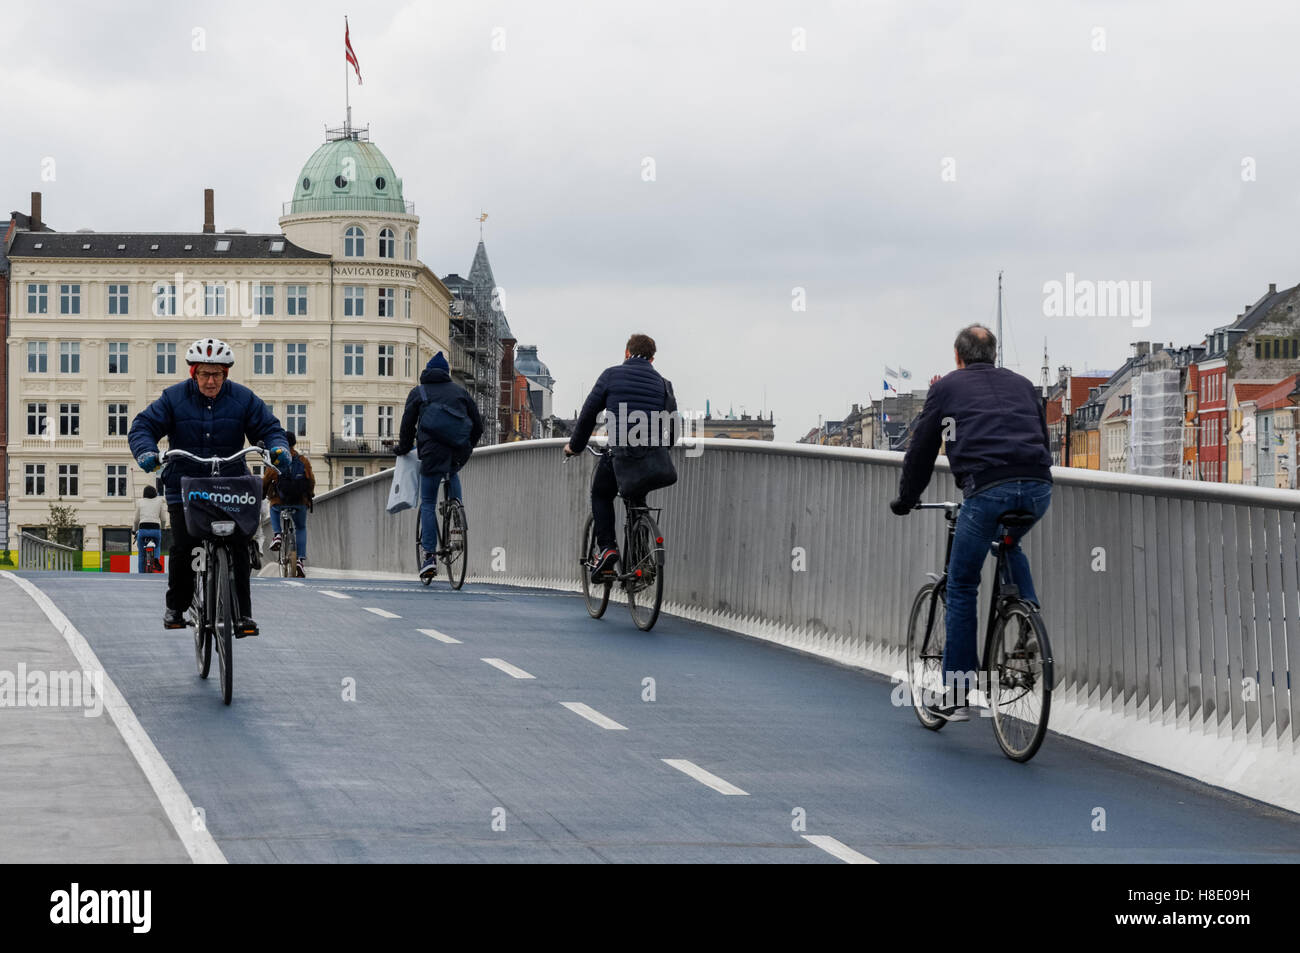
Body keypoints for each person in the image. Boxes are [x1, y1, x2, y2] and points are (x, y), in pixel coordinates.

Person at [889, 324, 1053, 721]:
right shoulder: (1024, 385)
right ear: (993, 355)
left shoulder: (946, 387)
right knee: (1008, 542)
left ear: (958, 358)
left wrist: (907, 498)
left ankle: (958, 695)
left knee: (962, 584)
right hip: (1037, 487)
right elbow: (1043, 440)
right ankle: (1025, 621)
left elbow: (923, 449)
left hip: (987, 490)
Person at [129, 337, 290, 633]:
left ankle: (242, 615)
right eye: (204, 373)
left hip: (231, 485)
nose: (211, 380)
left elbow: (269, 429)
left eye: (217, 374)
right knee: (184, 546)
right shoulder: (174, 398)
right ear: (194, 373)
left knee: (240, 546)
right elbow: (143, 426)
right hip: (184, 486)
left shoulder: (243, 399)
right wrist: (146, 452)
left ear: (226, 374)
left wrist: (278, 449)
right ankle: (176, 607)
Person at [563, 333, 678, 580]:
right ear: (652, 359)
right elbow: (674, 427)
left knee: (601, 493)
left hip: (621, 454)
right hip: (652, 457)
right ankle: (642, 563)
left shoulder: (611, 375)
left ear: (627, 353)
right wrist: (662, 450)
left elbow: (588, 415)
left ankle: (607, 550)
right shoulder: (663, 383)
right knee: (637, 497)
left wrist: (575, 446)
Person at [393, 351, 484, 578]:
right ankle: (456, 514)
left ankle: (429, 556)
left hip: (432, 453)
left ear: (426, 372)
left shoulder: (419, 392)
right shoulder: (461, 393)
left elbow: (407, 426)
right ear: (446, 374)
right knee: (452, 473)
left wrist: (403, 448)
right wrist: (467, 446)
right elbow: (478, 426)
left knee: (427, 503)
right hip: (457, 451)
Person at [265, 430, 315, 577]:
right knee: (300, 527)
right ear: (294, 443)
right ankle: (299, 560)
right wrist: (309, 496)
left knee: (273, 508)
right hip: (299, 502)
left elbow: (266, 479)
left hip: (280, 501)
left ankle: (277, 535)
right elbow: (311, 480)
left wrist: (262, 494)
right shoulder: (303, 461)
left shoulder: (277, 459)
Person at [133, 485, 167, 573]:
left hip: (143, 529)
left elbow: (136, 520)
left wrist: (134, 530)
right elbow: (163, 519)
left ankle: (141, 573)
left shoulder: (140, 502)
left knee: (141, 554)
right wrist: (163, 528)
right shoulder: (159, 501)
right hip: (155, 529)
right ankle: (156, 558)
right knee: (158, 545)